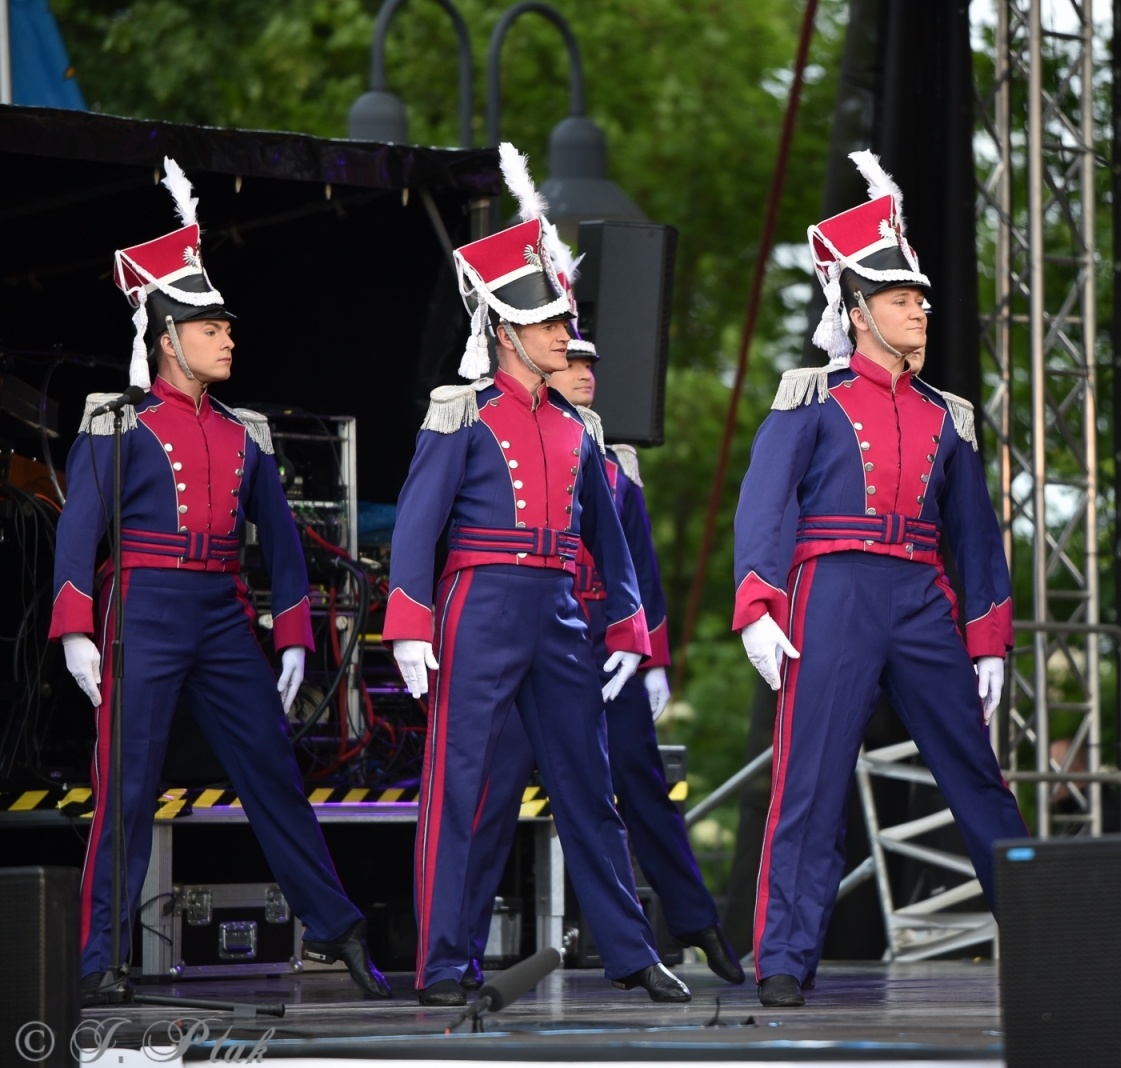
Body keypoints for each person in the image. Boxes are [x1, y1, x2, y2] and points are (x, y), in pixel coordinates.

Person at [52, 159, 389, 1001]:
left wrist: (295, 637)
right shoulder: (119, 421)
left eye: (226, 327)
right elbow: (79, 527)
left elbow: (283, 545)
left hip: (222, 612)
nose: (229, 338)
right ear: (167, 339)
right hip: (144, 608)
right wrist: (75, 627)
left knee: (273, 773)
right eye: (211, 327)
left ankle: (338, 927)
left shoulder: (245, 432)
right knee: (126, 789)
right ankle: (99, 958)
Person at [383, 143, 689, 1006]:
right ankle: (445, 964)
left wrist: (627, 623)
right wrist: (408, 622)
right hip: (479, 602)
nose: (566, 334)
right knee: (463, 791)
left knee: (589, 785)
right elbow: (417, 523)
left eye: (564, 320)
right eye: (552, 322)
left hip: (557, 608)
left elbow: (608, 537)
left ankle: (631, 952)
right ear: (507, 330)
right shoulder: (462, 412)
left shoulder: (578, 427)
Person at [733, 151, 1028, 1008]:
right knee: (811, 781)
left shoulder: (946, 414)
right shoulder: (813, 396)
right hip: (832, 590)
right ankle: (783, 958)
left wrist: (988, 638)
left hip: (922, 597)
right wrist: (758, 603)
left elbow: (976, 538)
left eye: (921, 299)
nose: (920, 310)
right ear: (858, 312)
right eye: (902, 299)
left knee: (977, 776)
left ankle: (1048, 935)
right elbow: (765, 503)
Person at [457, 314, 744, 989]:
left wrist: (652, 654)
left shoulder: (615, 462)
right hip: (533, 629)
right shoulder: (491, 431)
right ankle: (457, 949)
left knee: (640, 783)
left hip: (609, 643)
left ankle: (692, 920)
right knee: (494, 794)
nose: (586, 372)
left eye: (591, 363)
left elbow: (639, 567)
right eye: (573, 361)